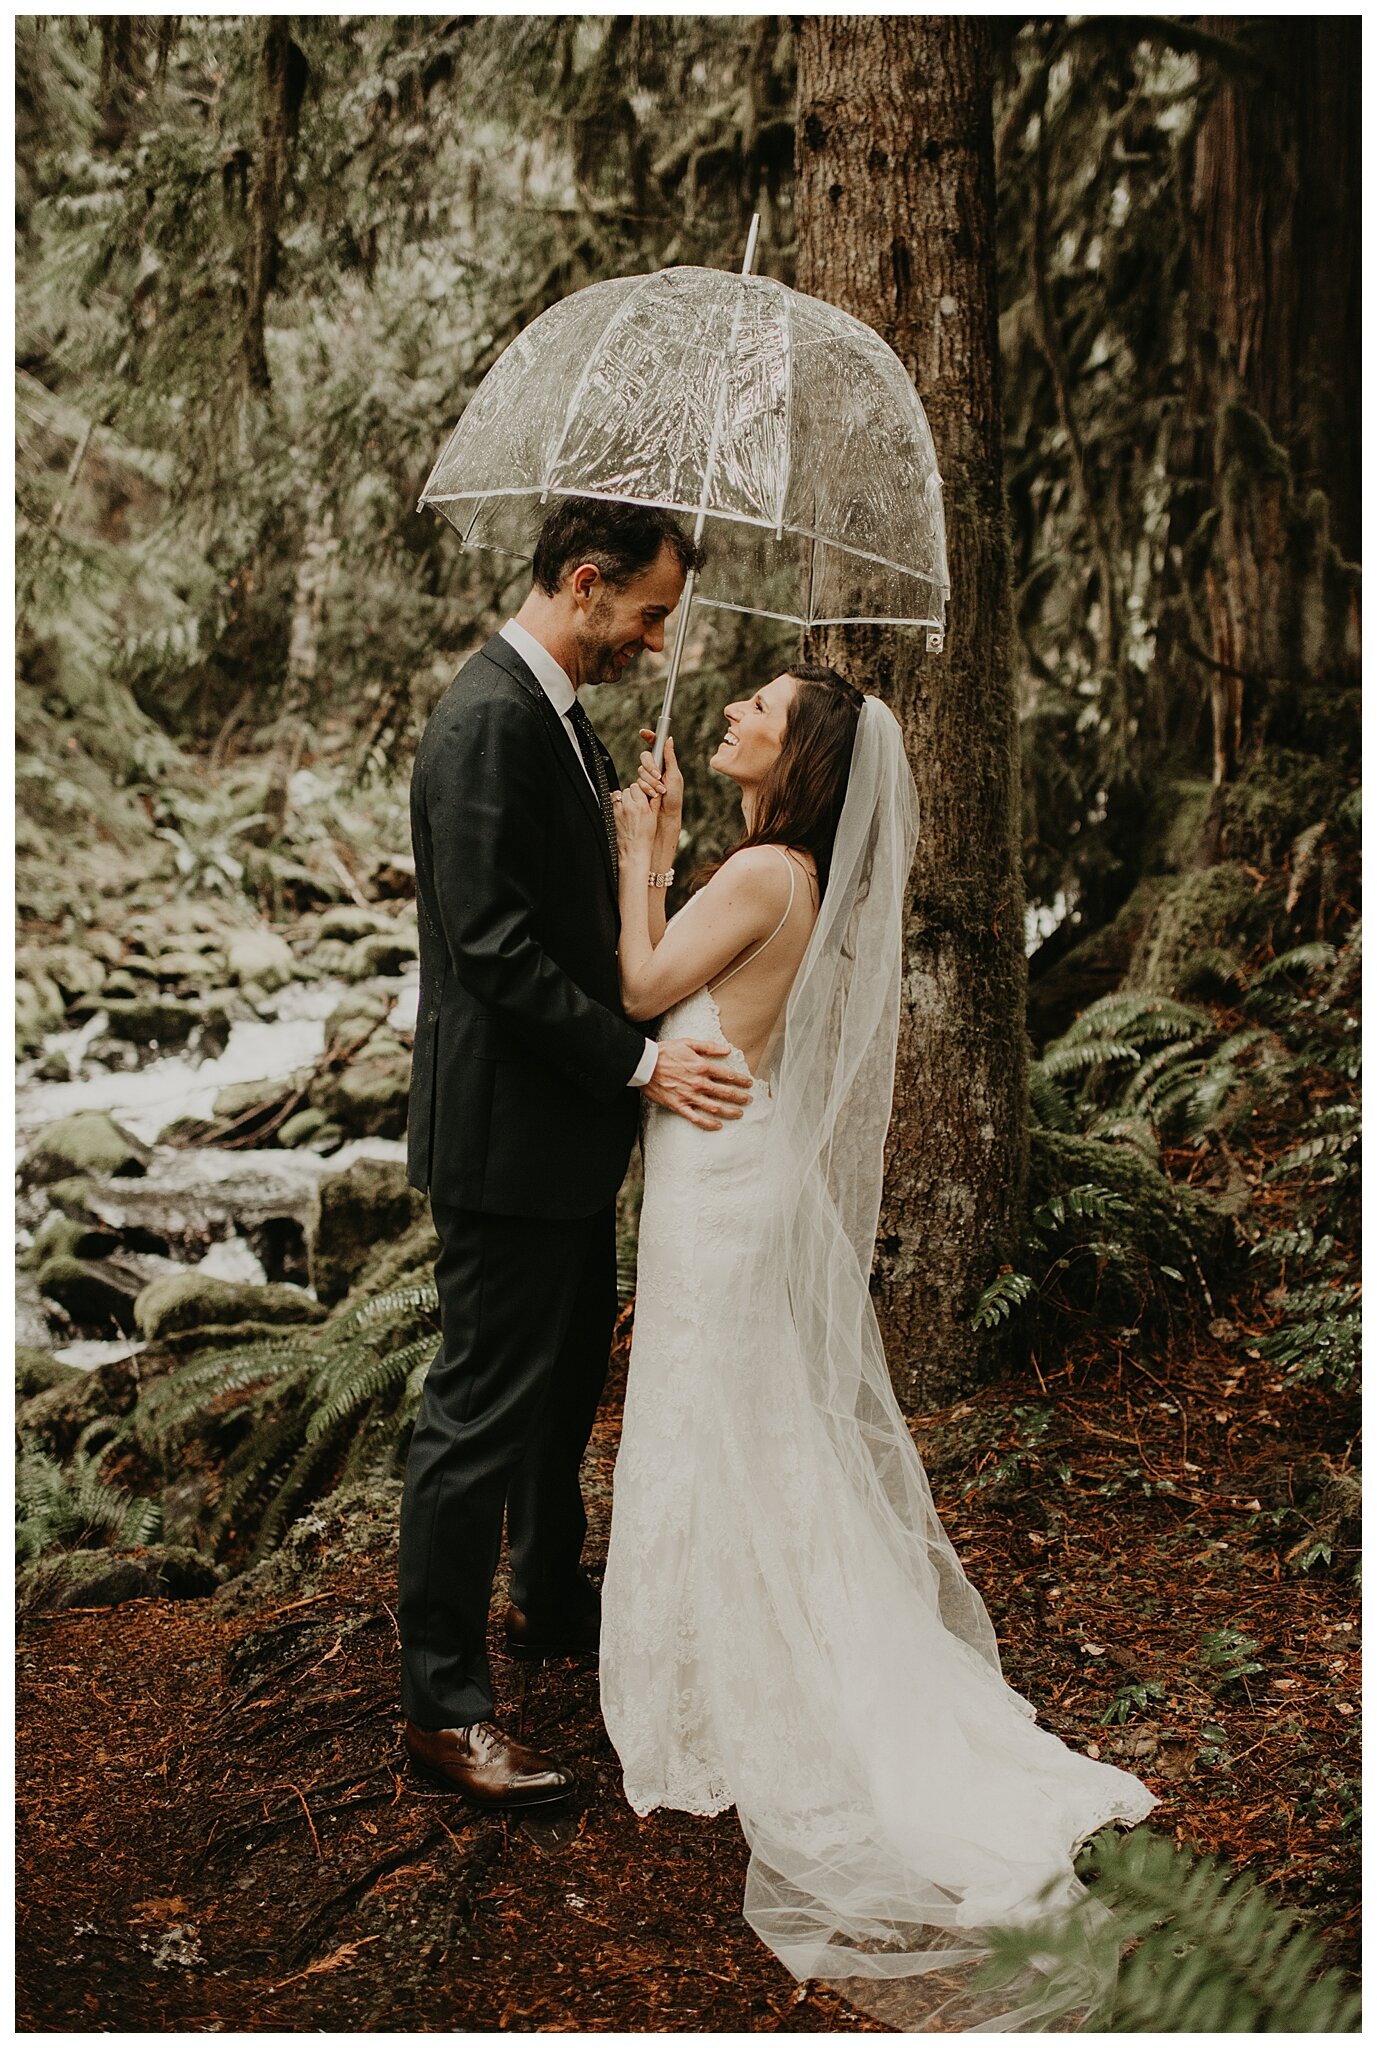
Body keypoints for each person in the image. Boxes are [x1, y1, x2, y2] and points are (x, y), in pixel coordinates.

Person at [600, 665, 1160, 2030]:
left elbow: (634, 988)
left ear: (797, 755)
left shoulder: (762, 874)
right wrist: (683, 857)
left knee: (703, 1409)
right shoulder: (783, 874)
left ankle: (718, 1686)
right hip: (733, 1164)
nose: (733, 709)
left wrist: (640, 854)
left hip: (715, 1184)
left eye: (760, 709)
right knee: (733, 1413)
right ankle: (720, 1657)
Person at [399, 497, 754, 1813]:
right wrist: (642, 1062)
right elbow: (490, 950)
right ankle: (439, 1708)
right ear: (586, 582)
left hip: (558, 1137)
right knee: (476, 1416)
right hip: (505, 1139)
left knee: (554, 1402)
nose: (655, 644)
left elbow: (553, 904)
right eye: (649, 614)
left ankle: (549, 1598)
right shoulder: (487, 719)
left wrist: (632, 841)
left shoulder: (547, 715)